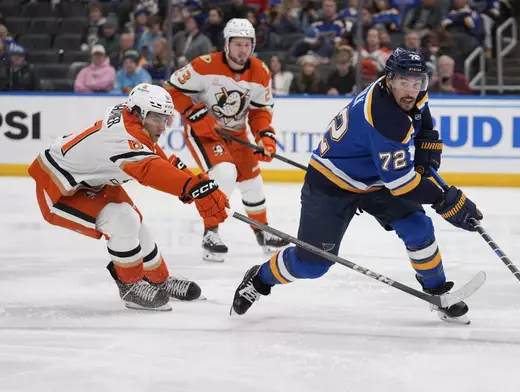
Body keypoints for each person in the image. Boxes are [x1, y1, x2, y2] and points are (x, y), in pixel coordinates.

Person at [230, 48, 483, 324]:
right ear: (389, 79)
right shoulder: (385, 118)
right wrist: (445, 199)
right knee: (312, 265)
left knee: (418, 227)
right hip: (331, 184)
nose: (411, 90)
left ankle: (437, 292)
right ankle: (259, 279)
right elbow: (401, 183)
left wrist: (427, 147)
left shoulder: (407, 95)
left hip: (374, 177)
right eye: (404, 82)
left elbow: (422, 119)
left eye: (416, 82)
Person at [27, 83, 229, 311]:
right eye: (157, 119)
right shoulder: (121, 137)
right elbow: (149, 170)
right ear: (140, 114)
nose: (163, 126)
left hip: (91, 180)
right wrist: (193, 188)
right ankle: (130, 286)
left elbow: (158, 158)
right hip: (58, 187)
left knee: (136, 223)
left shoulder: (133, 118)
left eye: (166, 119)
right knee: (124, 221)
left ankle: (158, 279)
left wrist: (200, 185)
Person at [165, 18, 289, 263]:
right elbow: (171, 89)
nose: (243, 50)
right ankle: (210, 234)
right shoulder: (204, 65)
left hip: (237, 133)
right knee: (224, 173)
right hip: (205, 133)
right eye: (238, 44)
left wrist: (265, 136)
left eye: (247, 45)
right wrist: (194, 114)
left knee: (252, 182)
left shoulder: (260, 71)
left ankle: (264, 235)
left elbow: (259, 111)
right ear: (226, 44)